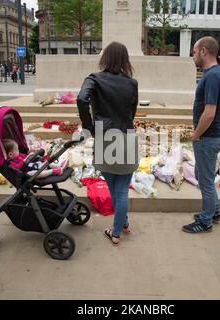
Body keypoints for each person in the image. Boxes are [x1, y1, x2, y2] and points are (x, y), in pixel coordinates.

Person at [77, 41, 139, 246]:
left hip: (105, 135)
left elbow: (81, 99)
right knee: (119, 188)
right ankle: (123, 223)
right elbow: (132, 110)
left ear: (105, 58)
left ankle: (116, 232)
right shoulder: (132, 83)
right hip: (126, 134)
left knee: (114, 187)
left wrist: (89, 126)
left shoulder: (94, 79)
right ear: (124, 59)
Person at [182, 36, 220, 234]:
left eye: (194, 52)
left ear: (203, 51)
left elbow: (209, 112)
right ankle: (214, 212)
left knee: (205, 180)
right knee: (206, 177)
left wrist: (196, 135)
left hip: (207, 136)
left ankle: (205, 221)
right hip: (213, 135)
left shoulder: (211, 76)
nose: (193, 56)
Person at [2, 139, 68, 178]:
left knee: (45, 162)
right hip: (27, 172)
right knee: (34, 174)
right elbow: (18, 168)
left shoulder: (19, 155)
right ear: (10, 154)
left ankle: (59, 166)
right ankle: (54, 171)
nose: (18, 151)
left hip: (34, 165)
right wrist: (25, 160)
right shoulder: (10, 163)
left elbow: (26, 156)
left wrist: (30, 154)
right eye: (17, 150)